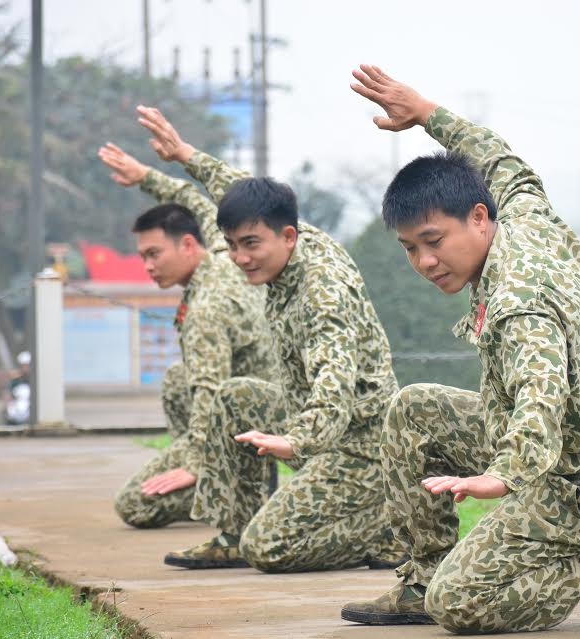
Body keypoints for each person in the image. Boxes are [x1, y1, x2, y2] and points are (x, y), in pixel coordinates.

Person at [341, 65, 580, 632]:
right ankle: (421, 577)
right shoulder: (524, 218)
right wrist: (427, 114)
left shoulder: (517, 301)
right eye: (410, 248)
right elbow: (504, 165)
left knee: (459, 605)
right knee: (413, 410)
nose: (425, 263)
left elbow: (542, 393)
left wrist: (505, 476)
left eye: (433, 242)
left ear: (478, 218)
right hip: (547, 449)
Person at [134, 105, 405, 572]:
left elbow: (333, 384)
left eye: (251, 244)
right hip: (304, 419)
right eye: (232, 244)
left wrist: (296, 441)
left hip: (358, 446)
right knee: (235, 396)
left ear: (288, 236)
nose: (239, 258)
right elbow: (234, 188)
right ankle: (232, 533)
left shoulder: (322, 292)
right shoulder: (289, 233)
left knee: (271, 548)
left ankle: (387, 524)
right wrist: (183, 155)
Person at [99, 144, 277, 545]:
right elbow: (191, 199)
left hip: (254, 416)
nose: (148, 266)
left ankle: (225, 490)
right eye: (143, 256)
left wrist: (197, 463)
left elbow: (209, 393)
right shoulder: (222, 251)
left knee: (133, 503)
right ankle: (234, 482)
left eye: (154, 254)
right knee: (179, 379)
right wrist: (145, 176)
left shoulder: (206, 309)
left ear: (187, 246)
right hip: (265, 400)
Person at [3, 350, 31, 425]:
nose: (25, 368)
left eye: (27, 365)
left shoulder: (34, 380)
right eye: (23, 365)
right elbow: (8, 394)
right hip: (17, 409)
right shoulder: (15, 380)